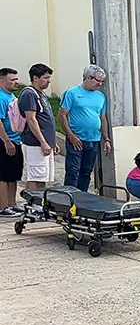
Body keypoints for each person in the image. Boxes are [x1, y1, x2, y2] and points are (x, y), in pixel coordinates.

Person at [58, 65, 111, 192]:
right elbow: (62, 114)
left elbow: (103, 118)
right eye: (97, 80)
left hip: (93, 139)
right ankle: (69, 199)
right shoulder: (72, 93)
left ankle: (82, 197)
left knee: (86, 172)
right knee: (73, 171)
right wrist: (70, 135)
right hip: (76, 138)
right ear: (87, 77)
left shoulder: (100, 96)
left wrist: (106, 139)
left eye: (102, 81)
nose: (99, 84)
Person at [19, 63, 58, 191]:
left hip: (45, 143)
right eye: (45, 78)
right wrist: (43, 141)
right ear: (35, 78)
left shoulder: (41, 94)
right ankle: (33, 206)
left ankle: (40, 205)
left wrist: (52, 142)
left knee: (43, 176)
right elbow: (31, 119)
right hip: (35, 143)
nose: (49, 81)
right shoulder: (29, 94)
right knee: (35, 175)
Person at [0, 67, 22, 216]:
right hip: (5, 141)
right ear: (2, 81)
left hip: (17, 140)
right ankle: (3, 207)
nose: (16, 82)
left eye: (16, 79)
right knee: (3, 175)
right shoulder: (1, 98)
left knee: (13, 175)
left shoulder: (12, 96)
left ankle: (12, 204)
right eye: (12, 80)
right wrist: (6, 141)